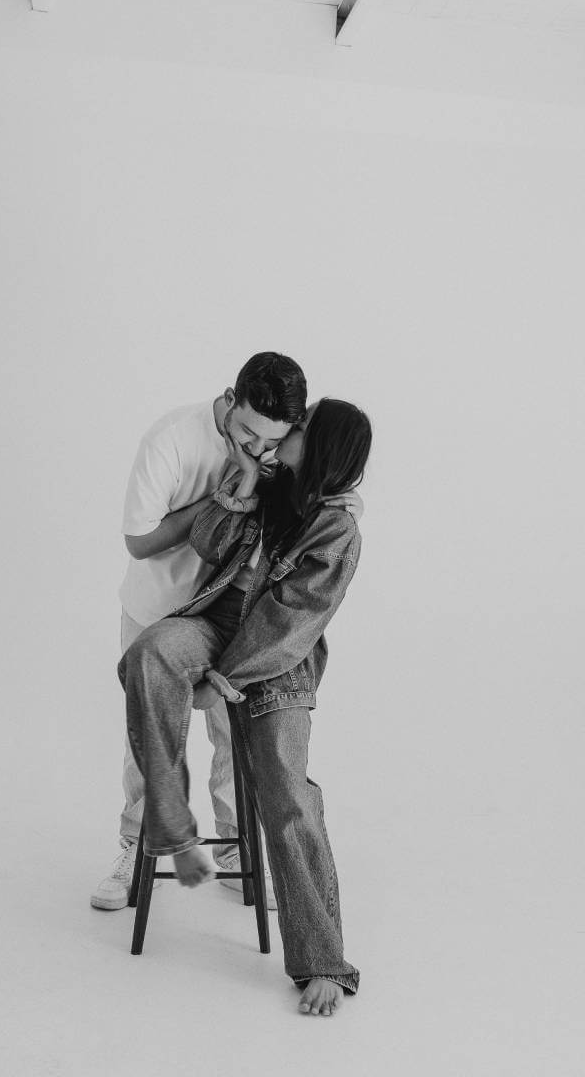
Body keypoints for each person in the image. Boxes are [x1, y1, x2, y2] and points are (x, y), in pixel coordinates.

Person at [118, 398, 372, 1017]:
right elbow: (209, 544)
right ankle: (168, 807)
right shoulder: (273, 484)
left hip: (273, 666)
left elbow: (291, 624)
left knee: (286, 795)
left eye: (300, 429)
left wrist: (219, 680)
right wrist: (246, 486)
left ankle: (323, 963)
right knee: (150, 653)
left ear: (321, 449)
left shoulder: (336, 530)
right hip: (214, 625)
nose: (285, 433)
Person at [93, 353, 330, 911]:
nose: (257, 448)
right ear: (230, 396)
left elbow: (319, 492)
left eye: (269, 440)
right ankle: (135, 846)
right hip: (158, 610)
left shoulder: (275, 444)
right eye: (247, 432)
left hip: (231, 621)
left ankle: (233, 854)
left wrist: (344, 498)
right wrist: (227, 493)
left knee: (234, 735)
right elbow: (139, 541)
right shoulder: (171, 439)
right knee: (149, 737)